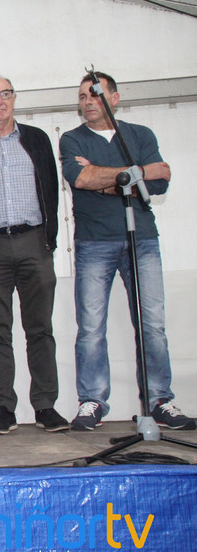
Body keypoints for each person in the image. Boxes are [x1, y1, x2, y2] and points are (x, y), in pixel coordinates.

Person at [59, 71, 194, 431]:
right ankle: (92, 401)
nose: (88, 101)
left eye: (94, 94)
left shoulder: (139, 135)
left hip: (142, 239)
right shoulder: (72, 139)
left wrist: (109, 180)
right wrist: (136, 175)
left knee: (152, 324)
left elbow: (161, 179)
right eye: (82, 96)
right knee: (91, 326)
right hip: (93, 242)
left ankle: (160, 400)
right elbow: (81, 179)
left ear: (114, 98)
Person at [0, 75, 69, 435]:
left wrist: (49, 239)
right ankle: (3, 408)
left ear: (14, 98)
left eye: (4, 94)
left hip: (34, 242)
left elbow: (51, 189)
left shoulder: (37, 139)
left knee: (40, 328)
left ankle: (46, 405)